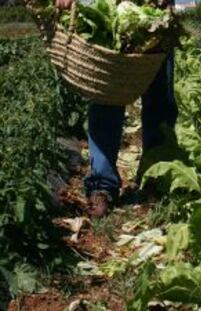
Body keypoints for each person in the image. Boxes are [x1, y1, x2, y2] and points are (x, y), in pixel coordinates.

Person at [56, 0, 178, 218]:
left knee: (159, 97)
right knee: (107, 96)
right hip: (113, 5)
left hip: (156, 12)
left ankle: (156, 177)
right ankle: (102, 186)